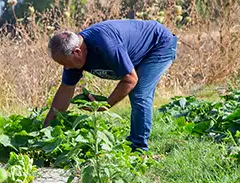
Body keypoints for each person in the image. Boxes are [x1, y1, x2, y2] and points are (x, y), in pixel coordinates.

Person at [43, 19, 178, 151]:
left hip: (158, 44)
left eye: (65, 63)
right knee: (137, 90)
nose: (66, 68)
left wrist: (105, 105)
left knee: (139, 93)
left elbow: (130, 79)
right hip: (137, 50)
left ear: (77, 52)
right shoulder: (73, 57)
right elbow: (65, 91)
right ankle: (134, 144)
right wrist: (46, 130)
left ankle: (139, 149)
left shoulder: (105, 44)